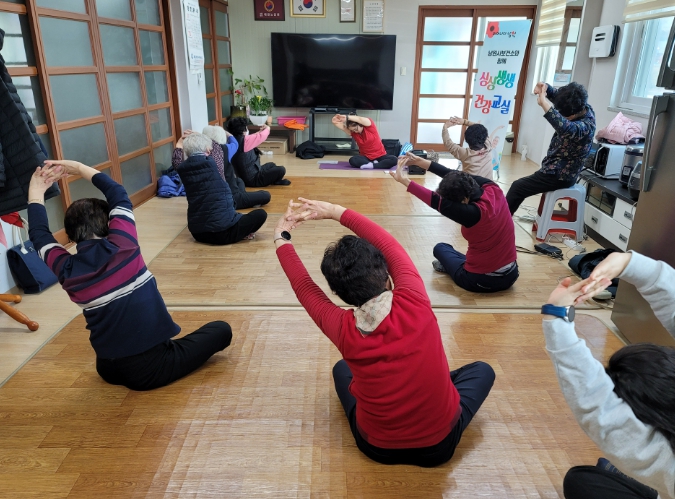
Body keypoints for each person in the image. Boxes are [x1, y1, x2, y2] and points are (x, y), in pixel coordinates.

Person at [273, 197, 495, 466]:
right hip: (439, 447)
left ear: (338, 294)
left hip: (377, 448)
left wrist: (281, 237)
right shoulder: (414, 297)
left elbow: (304, 287)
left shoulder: (342, 328)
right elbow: (389, 244)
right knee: (482, 370)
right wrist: (334, 211)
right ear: (388, 276)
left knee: (342, 369)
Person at [26, 161, 232, 391]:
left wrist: (36, 190)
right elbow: (117, 192)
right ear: (109, 225)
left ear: (72, 235)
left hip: (107, 366)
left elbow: (38, 234)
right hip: (148, 370)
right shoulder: (123, 244)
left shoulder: (66, 269)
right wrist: (79, 168)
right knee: (221, 330)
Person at [541, 251, 675, 499]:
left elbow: (599, 410)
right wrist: (626, 263)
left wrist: (556, 314)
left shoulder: (661, 460)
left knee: (581, 481)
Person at [392, 154, 518, 293]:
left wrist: (405, 181)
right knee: (453, 253)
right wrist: (421, 162)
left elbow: (435, 201)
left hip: (480, 281)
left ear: (463, 200)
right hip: (512, 274)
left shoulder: (473, 213)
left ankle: (454, 268)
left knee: (441, 248)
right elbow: (453, 174)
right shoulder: (492, 187)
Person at [506, 81, 595, 215]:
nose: (562, 115)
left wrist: (543, 103)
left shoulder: (585, 127)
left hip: (560, 176)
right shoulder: (582, 105)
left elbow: (565, 127)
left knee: (517, 187)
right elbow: (558, 96)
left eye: (564, 115)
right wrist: (544, 87)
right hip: (554, 169)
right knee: (519, 187)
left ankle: (500, 223)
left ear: (573, 113)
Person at [176, 132, 267, 245]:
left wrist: (179, 144)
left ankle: (241, 232)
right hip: (222, 233)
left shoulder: (182, 168)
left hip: (197, 234)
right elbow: (218, 148)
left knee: (233, 211)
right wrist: (200, 135)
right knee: (261, 214)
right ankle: (242, 234)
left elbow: (176, 160)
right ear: (208, 150)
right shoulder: (214, 163)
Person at [172, 127, 271, 209]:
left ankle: (242, 200)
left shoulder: (184, 167)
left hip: (206, 205)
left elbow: (176, 161)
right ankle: (240, 202)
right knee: (266, 195)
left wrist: (179, 145)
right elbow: (233, 143)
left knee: (239, 181)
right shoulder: (219, 153)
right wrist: (202, 136)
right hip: (226, 200)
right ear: (208, 148)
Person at [226, 117, 290, 187]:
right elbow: (262, 136)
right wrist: (268, 128)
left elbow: (253, 137)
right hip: (253, 179)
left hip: (245, 177)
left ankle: (275, 181)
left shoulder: (232, 140)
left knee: (271, 165)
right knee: (281, 169)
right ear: (243, 131)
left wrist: (260, 131)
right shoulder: (245, 141)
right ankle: (274, 181)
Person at [331, 113, 398, 170]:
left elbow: (360, 119)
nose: (355, 131)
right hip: (366, 158)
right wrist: (334, 121)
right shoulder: (354, 133)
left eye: (356, 129)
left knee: (394, 160)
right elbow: (343, 127)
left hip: (380, 156)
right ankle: (375, 164)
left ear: (360, 124)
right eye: (353, 130)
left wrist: (347, 117)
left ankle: (372, 165)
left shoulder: (370, 127)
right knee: (353, 160)